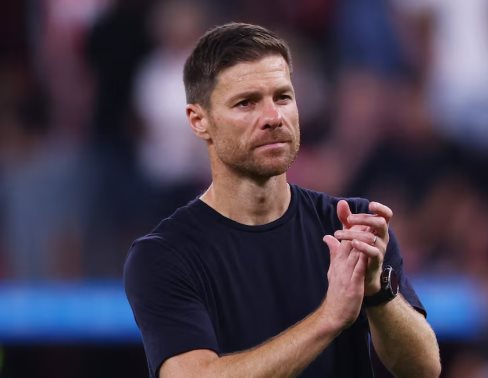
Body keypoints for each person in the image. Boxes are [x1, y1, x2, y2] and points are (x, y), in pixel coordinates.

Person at [123, 22, 440, 378]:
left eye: (283, 97)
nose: (273, 118)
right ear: (199, 121)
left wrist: (379, 291)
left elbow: (424, 369)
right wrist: (328, 319)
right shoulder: (165, 255)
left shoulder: (351, 224)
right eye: (246, 103)